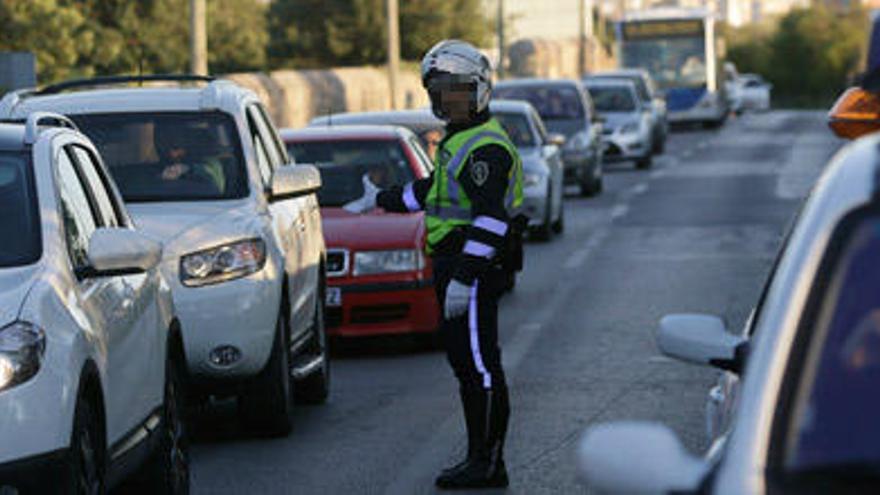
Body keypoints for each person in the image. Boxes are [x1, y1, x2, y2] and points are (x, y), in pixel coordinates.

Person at [344, 39, 524, 489]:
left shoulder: (485, 147)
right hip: (456, 266)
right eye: (440, 92)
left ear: (479, 90)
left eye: (456, 90)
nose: (447, 100)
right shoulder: (459, 140)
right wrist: (379, 200)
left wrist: (465, 278)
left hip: (474, 268)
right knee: (467, 366)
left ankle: (488, 464)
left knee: (481, 367)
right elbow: (433, 193)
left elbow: (490, 217)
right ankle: (477, 458)